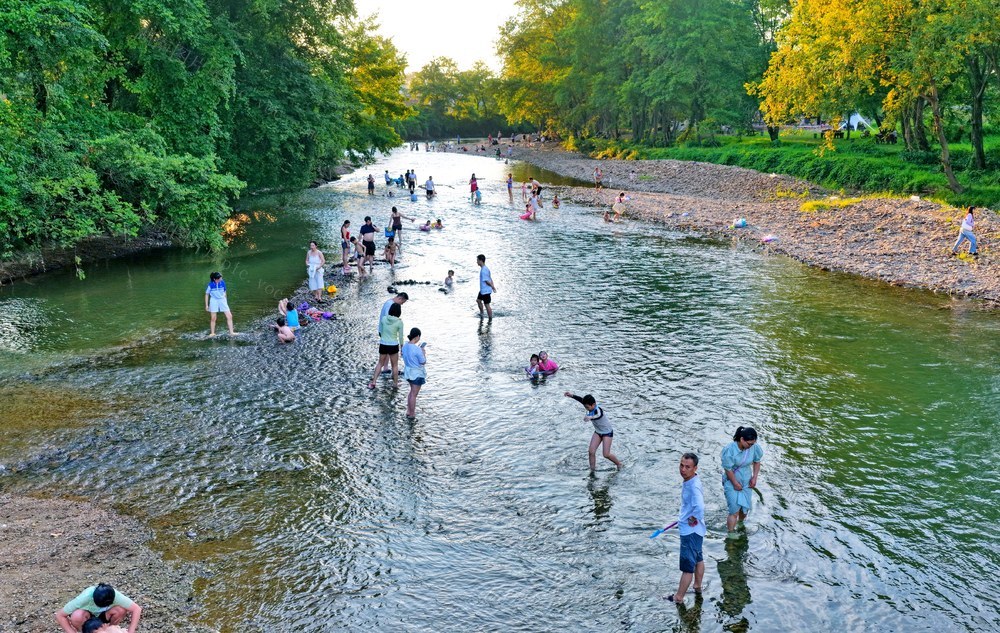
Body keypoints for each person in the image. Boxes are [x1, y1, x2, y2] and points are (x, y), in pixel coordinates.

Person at [665, 453, 706, 604]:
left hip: (690, 532)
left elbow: (700, 507)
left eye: (687, 467)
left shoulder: (693, 487)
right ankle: (697, 586)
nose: (683, 469)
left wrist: (691, 519)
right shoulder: (693, 480)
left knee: (688, 567)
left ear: (695, 468)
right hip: (697, 530)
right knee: (698, 558)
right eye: (681, 465)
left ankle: (679, 597)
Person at [564, 392, 622, 471]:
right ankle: (592, 470)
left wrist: (590, 417)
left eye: (587, 407)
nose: (586, 409)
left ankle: (619, 463)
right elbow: (581, 400)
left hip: (607, 433)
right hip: (598, 432)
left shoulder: (598, 410)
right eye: (585, 407)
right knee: (591, 452)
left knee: (606, 454)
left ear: (593, 404)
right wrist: (572, 396)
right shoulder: (589, 406)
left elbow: (598, 415)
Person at [722, 426, 763, 537]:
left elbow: (757, 461)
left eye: (753, 444)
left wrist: (754, 477)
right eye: (749, 444)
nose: (751, 446)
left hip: (746, 481)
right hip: (731, 481)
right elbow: (728, 469)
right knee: (734, 510)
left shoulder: (754, 447)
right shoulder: (730, 450)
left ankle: (740, 524)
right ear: (742, 439)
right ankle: (731, 534)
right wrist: (735, 483)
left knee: (744, 508)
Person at [55, 583, 142, 633]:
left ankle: (109, 629)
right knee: (77, 616)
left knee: (120, 610)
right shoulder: (84, 598)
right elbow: (60, 615)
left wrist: (131, 631)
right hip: (88, 619)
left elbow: (136, 609)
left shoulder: (115, 595)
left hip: (105, 617)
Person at [370, 302, 404, 389]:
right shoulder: (399, 322)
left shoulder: (384, 319)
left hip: (383, 344)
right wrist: (402, 347)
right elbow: (401, 337)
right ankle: (395, 384)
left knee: (380, 363)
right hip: (393, 345)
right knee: (395, 365)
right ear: (399, 312)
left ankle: (374, 382)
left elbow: (381, 331)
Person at [401, 327, 427, 419]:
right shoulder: (417, 349)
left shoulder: (405, 346)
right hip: (417, 373)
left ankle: (409, 411)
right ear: (417, 336)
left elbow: (403, 355)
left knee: (411, 392)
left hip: (408, 372)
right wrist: (423, 353)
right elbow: (423, 362)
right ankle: (412, 413)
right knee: (414, 394)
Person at [204, 272, 236, 336]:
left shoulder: (222, 282)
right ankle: (212, 333)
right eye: (219, 278)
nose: (221, 279)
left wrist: (225, 301)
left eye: (221, 278)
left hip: (222, 299)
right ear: (215, 279)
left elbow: (225, 291)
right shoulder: (210, 285)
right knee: (213, 318)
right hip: (214, 300)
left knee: (229, 316)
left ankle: (231, 332)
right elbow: (207, 294)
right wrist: (207, 305)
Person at [476, 254, 496, 319]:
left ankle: (490, 318)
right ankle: (482, 313)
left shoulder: (484, 270)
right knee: (478, 300)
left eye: (477, 260)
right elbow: (490, 278)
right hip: (483, 290)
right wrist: (493, 286)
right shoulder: (485, 268)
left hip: (485, 291)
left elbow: (487, 281)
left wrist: (492, 287)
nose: (477, 262)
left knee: (487, 305)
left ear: (481, 261)